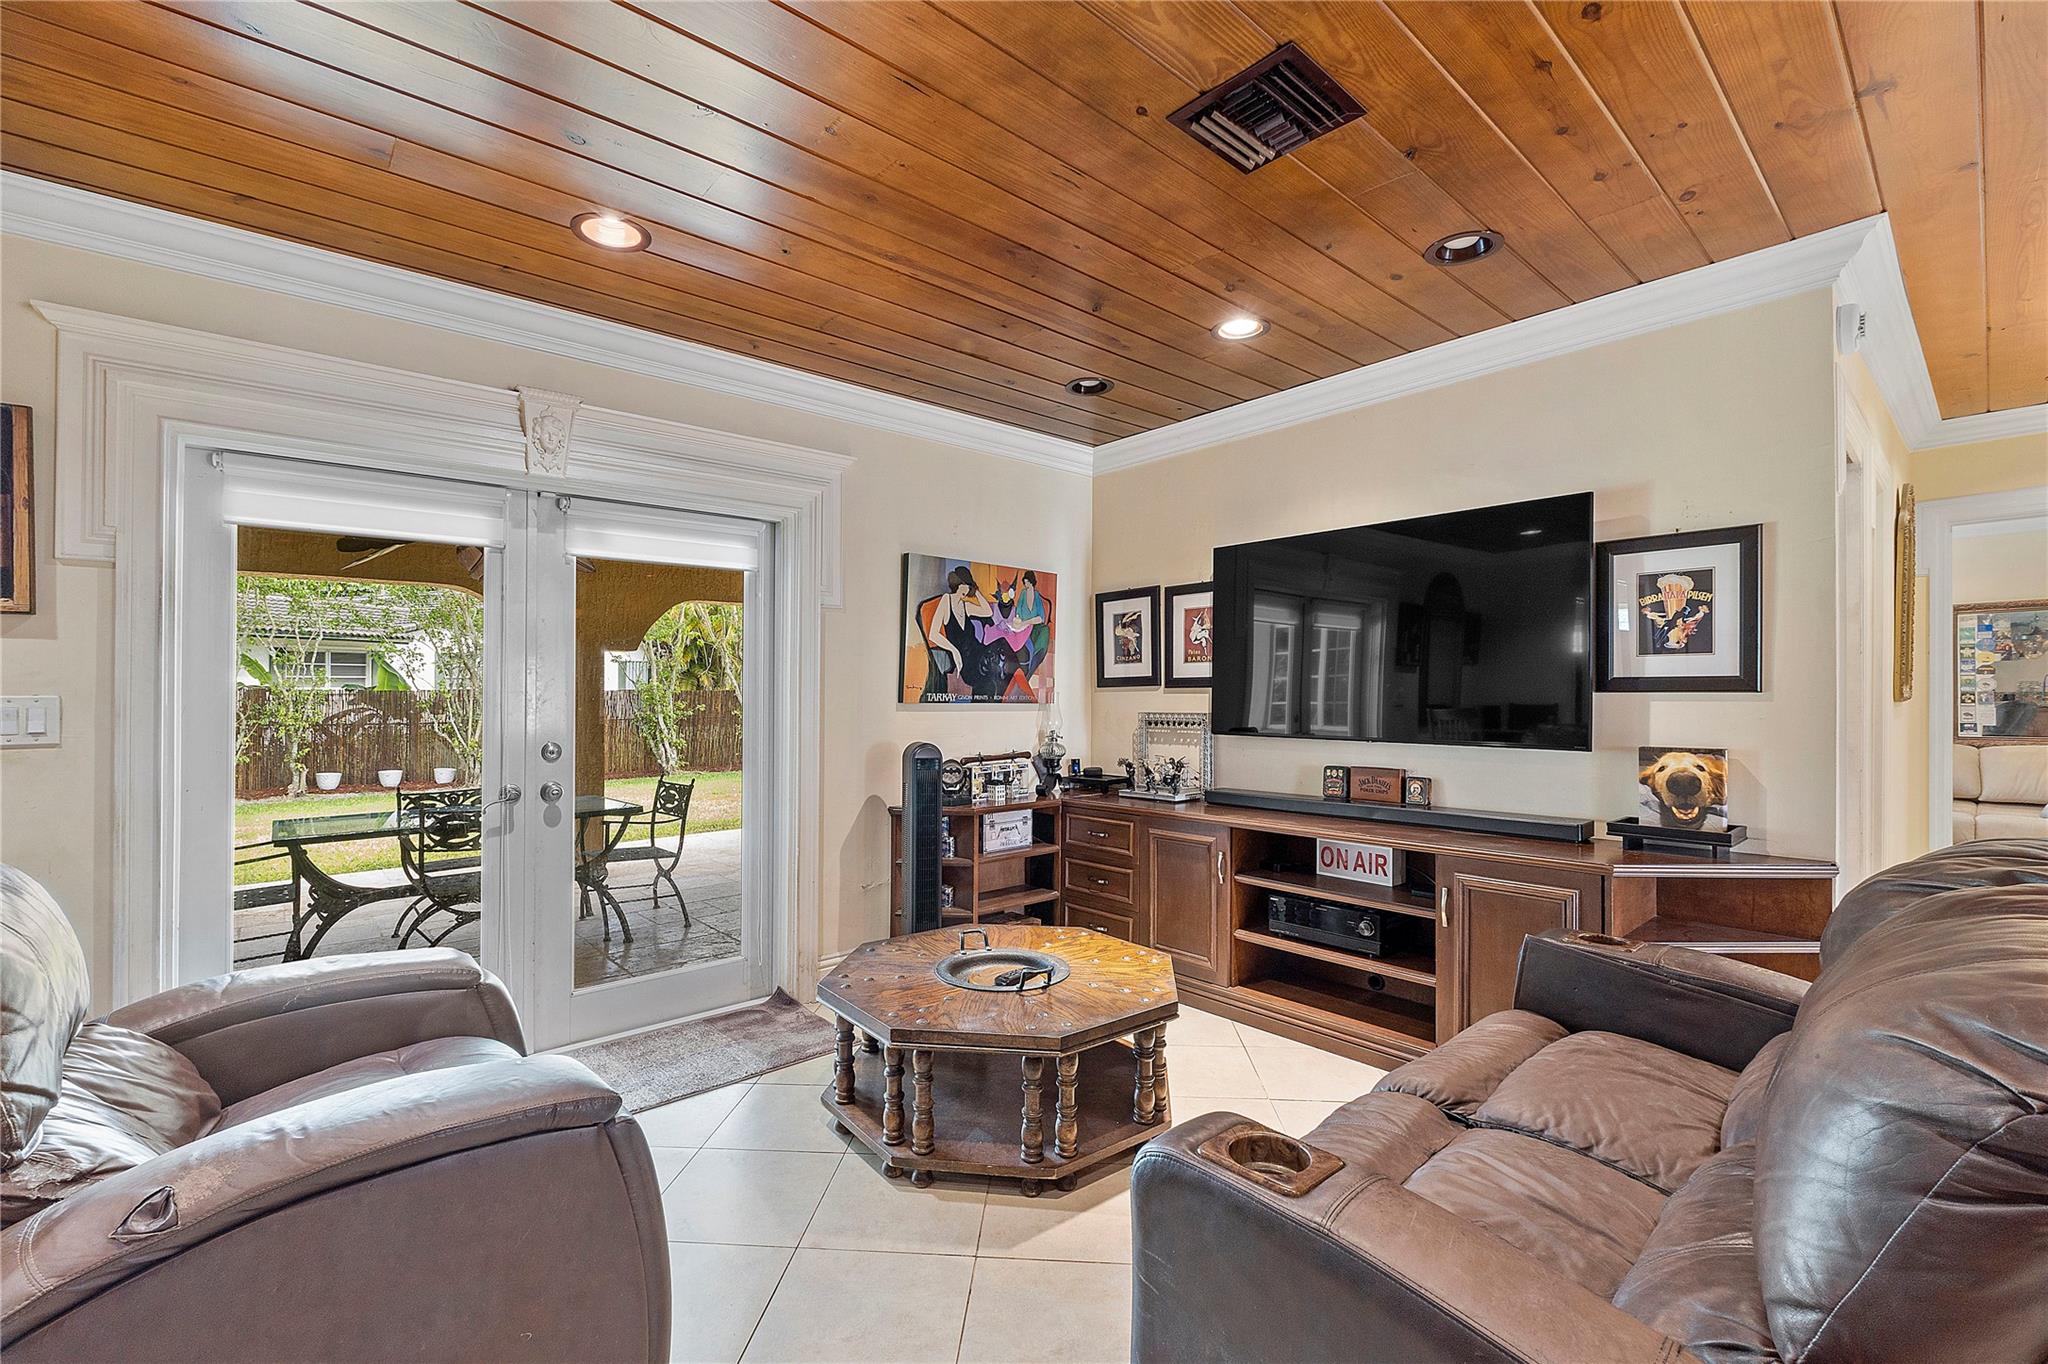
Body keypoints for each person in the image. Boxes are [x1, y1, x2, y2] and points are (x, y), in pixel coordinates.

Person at [924, 565, 994, 699]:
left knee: (1000, 650)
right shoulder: (946, 600)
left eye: (968, 586)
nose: (966, 590)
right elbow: (933, 634)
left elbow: (988, 612)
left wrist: (975, 589)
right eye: (963, 585)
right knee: (986, 680)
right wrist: (954, 651)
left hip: (978, 651)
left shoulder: (965, 606)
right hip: (966, 659)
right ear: (956, 583)